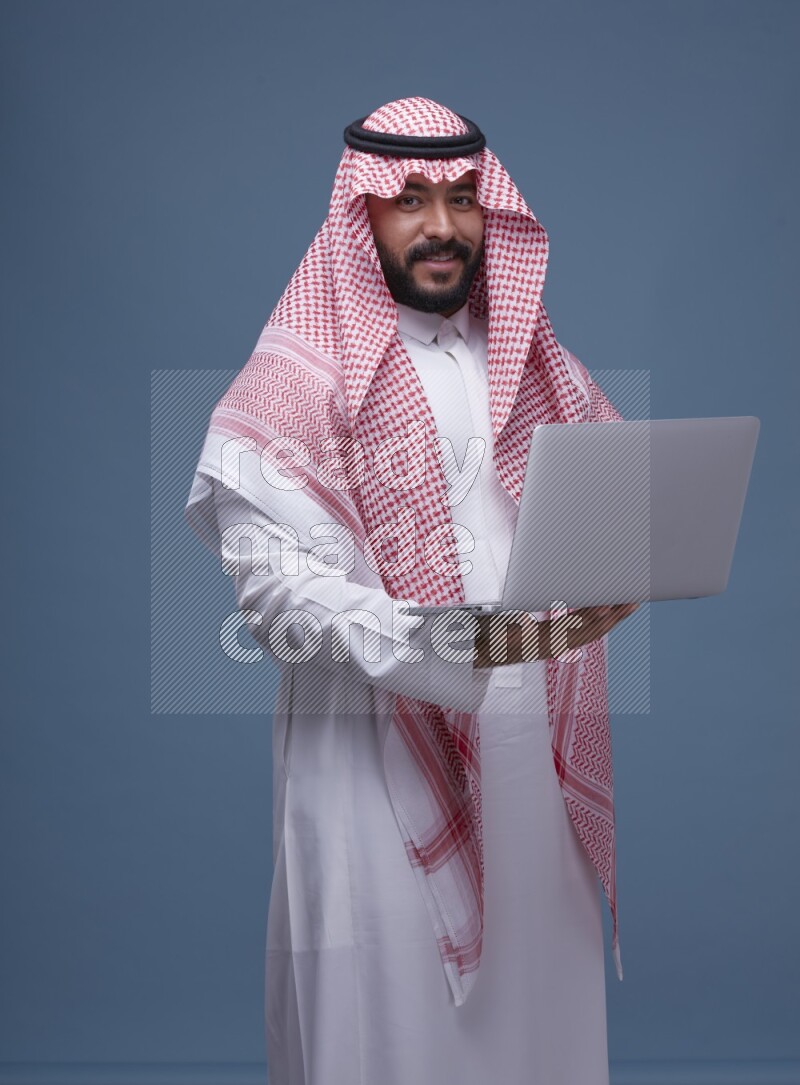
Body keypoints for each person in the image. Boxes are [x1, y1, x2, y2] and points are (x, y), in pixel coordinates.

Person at [185, 96, 638, 1085]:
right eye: (410, 199)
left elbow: (609, 507)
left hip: (531, 761)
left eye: (464, 197)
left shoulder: (536, 364)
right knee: (393, 1036)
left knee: (538, 1033)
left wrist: (627, 565)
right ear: (361, 212)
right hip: (375, 765)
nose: (442, 225)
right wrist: (468, 643)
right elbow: (277, 601)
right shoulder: (294, 385)